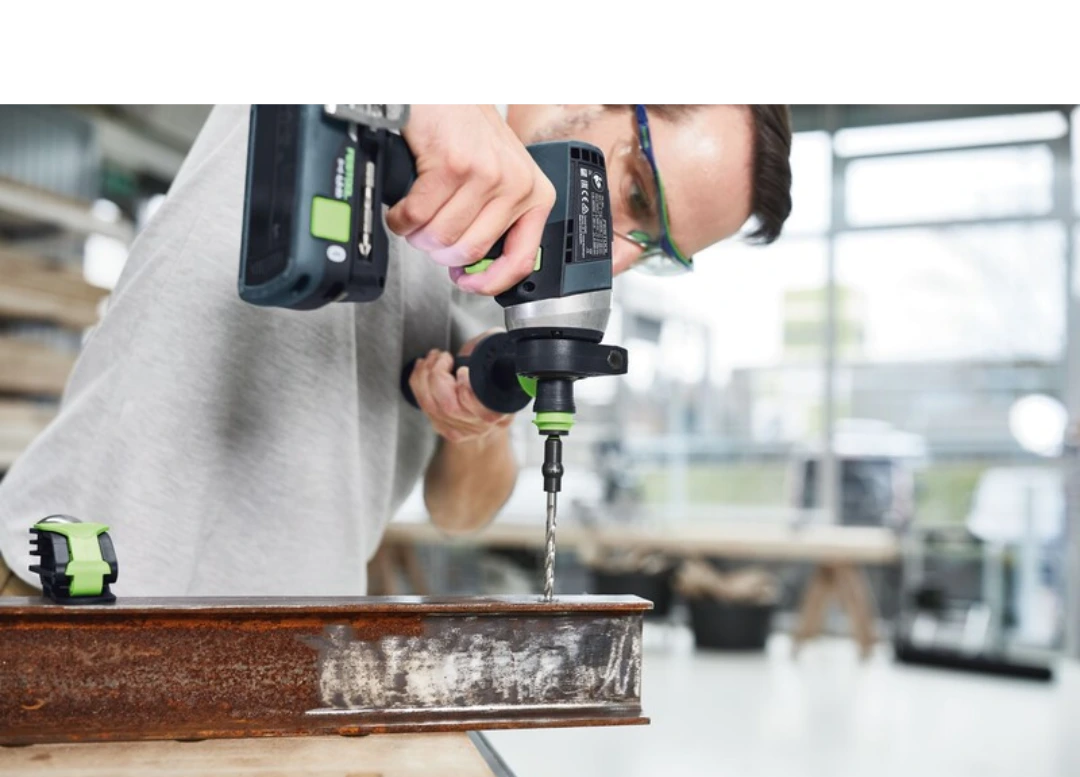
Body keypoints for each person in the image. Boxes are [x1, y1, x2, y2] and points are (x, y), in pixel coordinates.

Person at [0, 103, 794, 598]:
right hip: (70, 585)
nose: (619, 256)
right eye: (635, 201)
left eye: (654, 248)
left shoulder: (511, 267)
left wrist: (474, 428)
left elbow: (461, 511)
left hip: (285, 645)